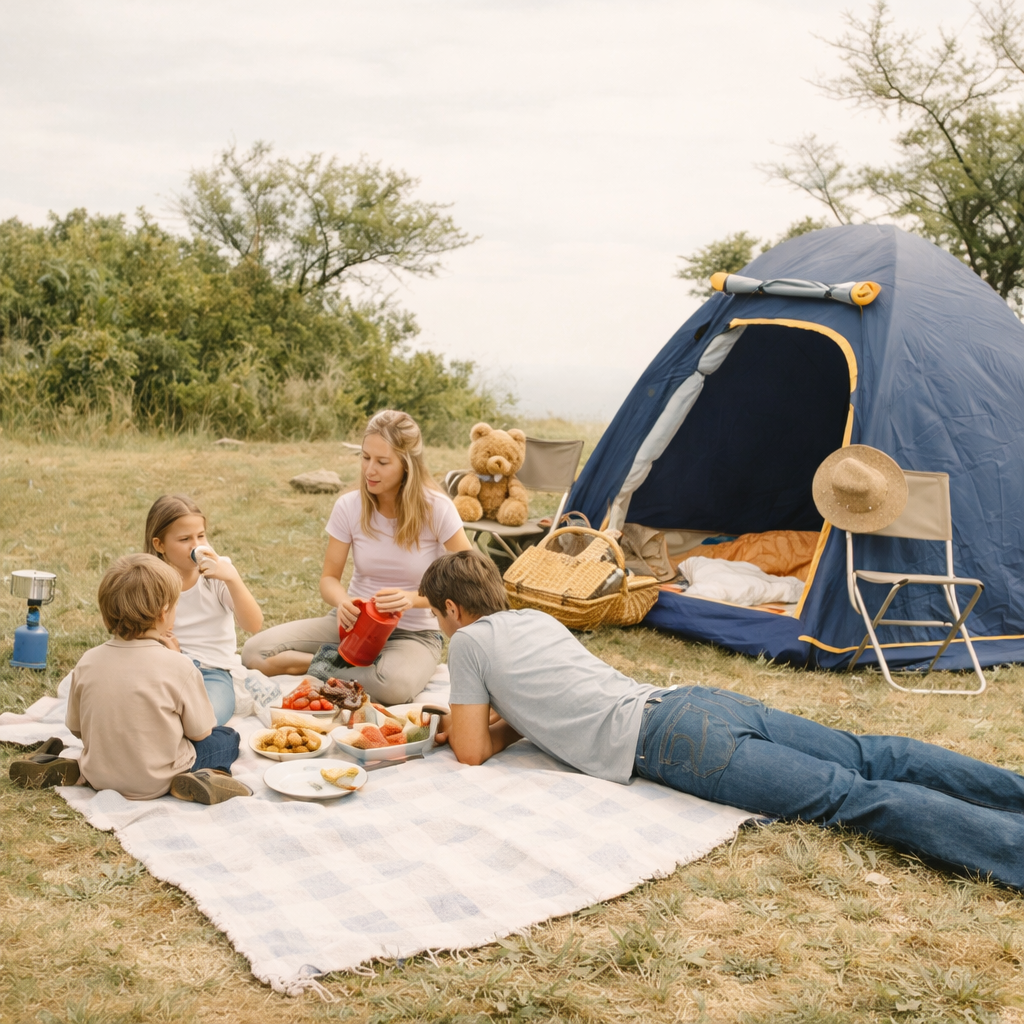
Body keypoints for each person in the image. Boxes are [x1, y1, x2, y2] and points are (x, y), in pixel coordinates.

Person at [419, 550, 1024, 891]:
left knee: (854, 799)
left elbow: (470, 752)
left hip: (673, 742)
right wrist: (509, 719)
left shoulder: (470, 643)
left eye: (438, 617)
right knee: (872, 756)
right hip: (698, 701)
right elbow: (541, 707)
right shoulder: (537, 621)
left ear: (452, 608)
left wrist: (472, 724)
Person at [242, 410, 472, 705]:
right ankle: (341, 664)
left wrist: (412, 599)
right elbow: (328, 579)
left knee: (394, 688)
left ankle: (332, 669)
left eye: (382, 462)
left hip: (414, 633)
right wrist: (342, 602)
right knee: (254, 653)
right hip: (354, 626)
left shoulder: (437, 508)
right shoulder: (348, 506)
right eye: (365, 458)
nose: (369, 470)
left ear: (407, 465)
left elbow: (467, 579)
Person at [9, 554, 251, 804]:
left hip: (99, 774)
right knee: (227, 737)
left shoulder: (88, 661)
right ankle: (197, 777)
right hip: (159, 778)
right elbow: (200, 733)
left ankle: (76, 769)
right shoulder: (179, 665)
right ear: (164, 613)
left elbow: (76, 728)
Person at [144, 494, 263, 726]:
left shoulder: (216, 575)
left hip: (211, 673)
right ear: (160, 545)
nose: (196, 545)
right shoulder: (149, 579)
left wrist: (233, 579)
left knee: (203, 719)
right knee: (145, 713)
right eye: (184, 539)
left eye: (201, 535)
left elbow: (253, 625)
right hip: (162, 668)